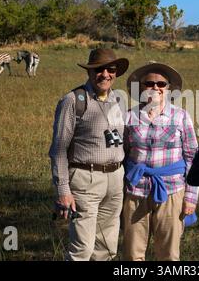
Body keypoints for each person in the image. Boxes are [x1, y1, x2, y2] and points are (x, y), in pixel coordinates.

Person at [49, 48, 129, 261]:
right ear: (90, 72)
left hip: (115, 178)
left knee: (107, 247)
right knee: (82, 248)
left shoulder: (120, 101)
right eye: (99, 69)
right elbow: (58, 150)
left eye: (110, 69)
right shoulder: (73, 100)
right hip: (85, 179)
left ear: (116, 72)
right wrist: (63, 190)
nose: (105, 74)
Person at [122, 62, 199, 261]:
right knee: (132, 254)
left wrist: (191, 197)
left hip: (172, 190)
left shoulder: (181, 116)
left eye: (161, 84)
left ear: (168, 88)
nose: (155, 88)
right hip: (136, 191)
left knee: (169, 254)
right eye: (149, 83)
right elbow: (123, 154)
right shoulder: (129, 116)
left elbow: (192, 157)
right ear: (141, 87)